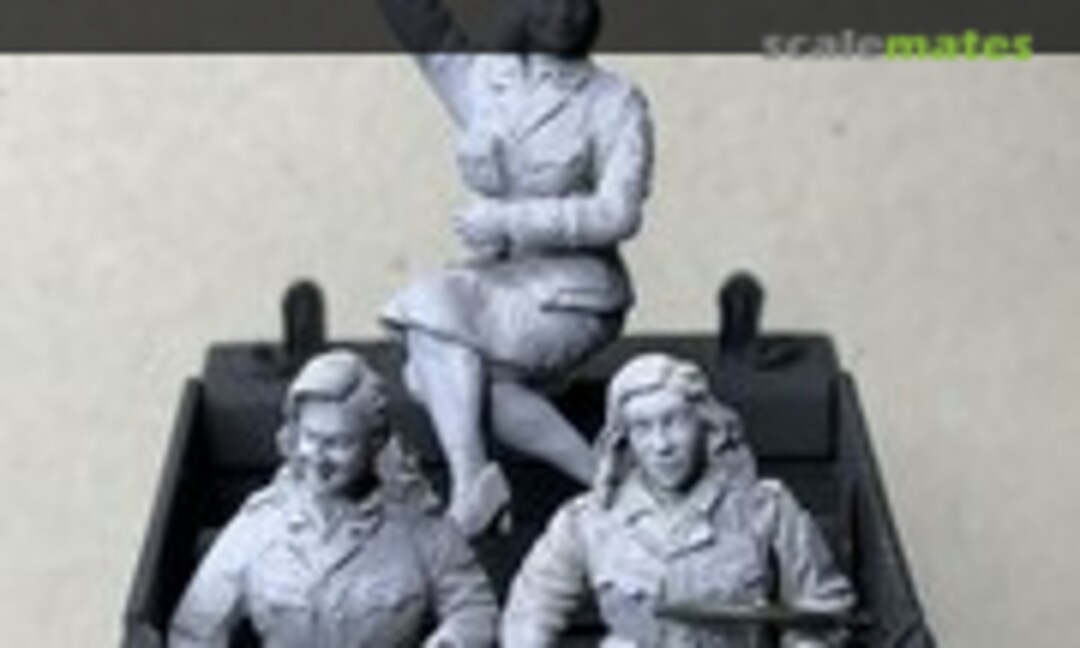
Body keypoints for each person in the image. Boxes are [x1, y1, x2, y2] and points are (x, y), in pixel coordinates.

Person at [378, 0, 654, 537]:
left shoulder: (615, 102)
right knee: (444, 374)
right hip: (502, 280)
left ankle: (475, 483)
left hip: (575, 295)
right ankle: (602, 482)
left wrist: (511, 220)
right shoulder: (488, 83)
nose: (564, 15)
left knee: (432, 334)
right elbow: (425, 30)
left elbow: (617, 213)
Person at [501, 353, 854, 647]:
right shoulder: (588, 520)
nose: (661, 445)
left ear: (705, 425)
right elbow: (532, 607)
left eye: (674, 422)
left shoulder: (765, 508)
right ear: (624, 438)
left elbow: (823, 610)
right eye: (643, 428)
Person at [168, 350, 497, 648]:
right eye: (311, 438)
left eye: (339, 443)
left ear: (375, 442)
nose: (320, 458)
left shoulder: (419, 524)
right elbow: (195, 631)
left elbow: (474, 608)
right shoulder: (260, 525)